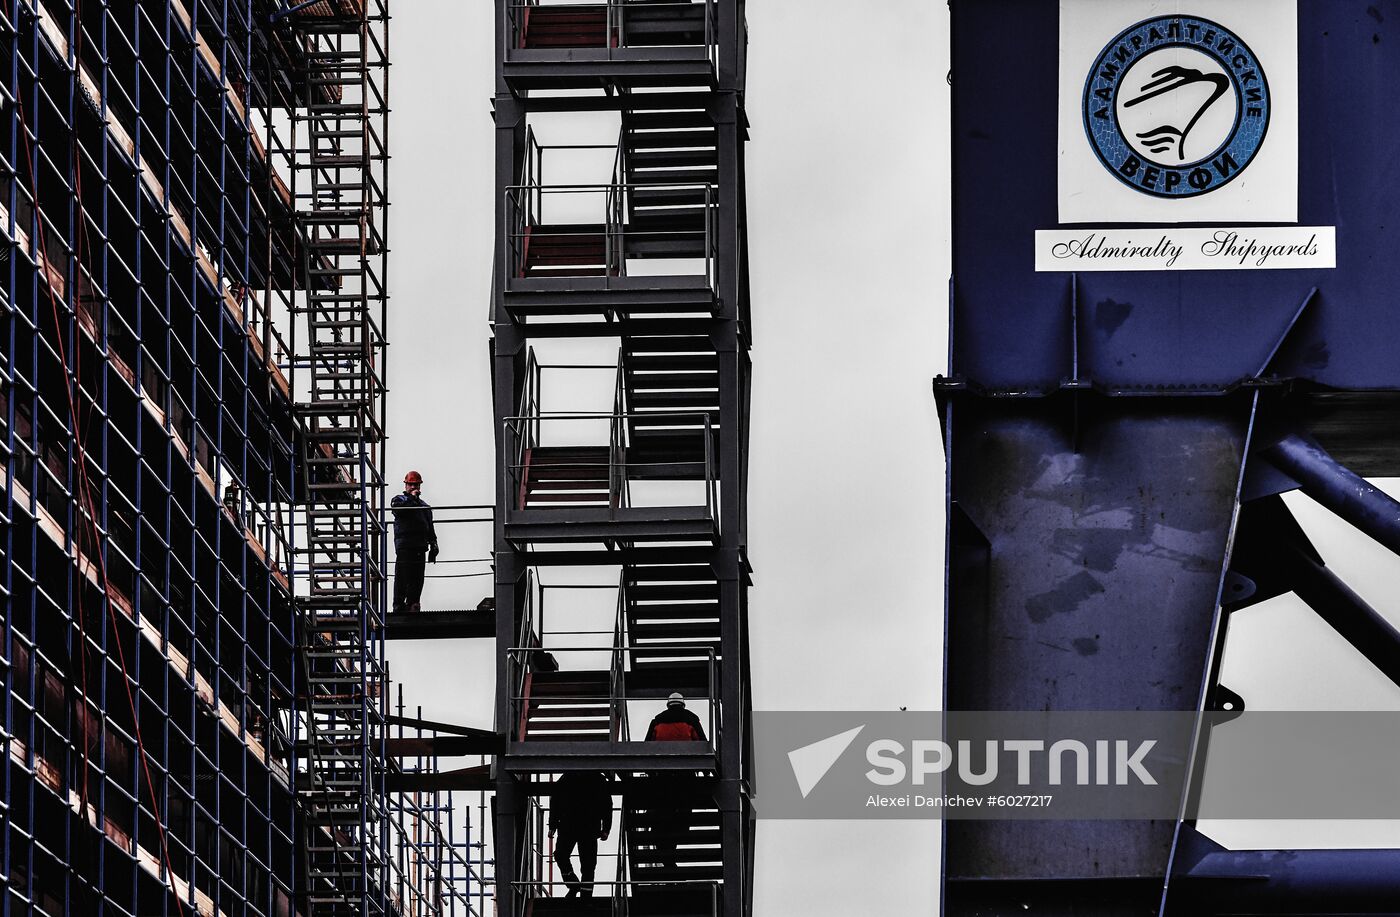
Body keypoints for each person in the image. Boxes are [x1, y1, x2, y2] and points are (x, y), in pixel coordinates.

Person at [643, 693, 706, 871]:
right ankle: (670, 856)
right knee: (681, 819)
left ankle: (667, 856)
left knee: (662, 818)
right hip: (685, 779)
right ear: (683, 705)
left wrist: (651, 772)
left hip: (662, 780)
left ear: (668, 705)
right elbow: (702, 745)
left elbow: (646, 746)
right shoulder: (692, 720)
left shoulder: (657, 721)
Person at [548, 771, 613, 898]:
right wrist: (606, 828)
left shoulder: (568, 776)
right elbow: (607, 805)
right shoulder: (597, 779)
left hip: (572, 825)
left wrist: (553, 825)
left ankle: (577, 888)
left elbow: (555, 800)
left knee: (571, 858)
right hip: (586, 825)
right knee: (585, 863)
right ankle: (582, 893)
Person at [390, 470, 438, 612]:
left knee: (417, 578)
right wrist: (412, 499)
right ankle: (398, 605)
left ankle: (413, 604)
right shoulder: (399, 500)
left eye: (415, 484)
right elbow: (399, 511)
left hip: (419, 546)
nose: (413, 487)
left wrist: (434, 544)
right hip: (405, 545)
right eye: (411, 485)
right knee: (402, 577)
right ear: (406, 486)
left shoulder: (425, 507)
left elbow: (429, 526)